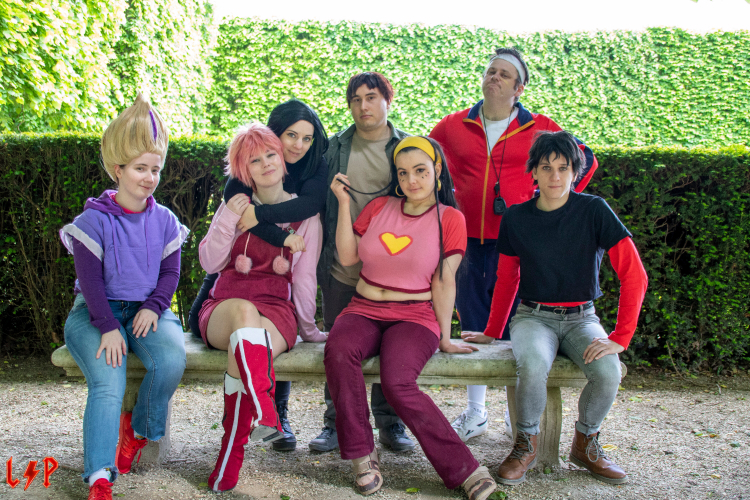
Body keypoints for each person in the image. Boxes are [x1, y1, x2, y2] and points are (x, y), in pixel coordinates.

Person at [430, 46, 598, 442]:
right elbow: (425, 161)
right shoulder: (452, 125)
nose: (495, 78)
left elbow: (585, 160)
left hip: (521, 243)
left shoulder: (541, 127)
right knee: (473, 326)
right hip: (466, 241)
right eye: (491, 71)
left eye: (504, 74)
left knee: (514, 325)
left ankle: (514, 413)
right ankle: (476, 413)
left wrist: (553, 206)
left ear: (519, 88)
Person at [324, 136, 497, 500]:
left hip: (414, 315)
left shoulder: (450, 219)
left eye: (420, 171)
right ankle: (361, 454)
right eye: (403, 173)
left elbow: (444, 280)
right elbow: (348, 256)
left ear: (437, 169)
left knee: (397, 381)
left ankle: (465, 469)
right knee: (338, 352)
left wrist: (445, 337)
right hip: (363, 308)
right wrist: (343, 203)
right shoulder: (379, 207)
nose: (411, 180)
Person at [484, 130, 647, 485]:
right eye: (546, 167)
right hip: (533, 318)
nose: (555, 176)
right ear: (534, 171)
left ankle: (585, 443)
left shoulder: (594, 210)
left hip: (581, 319)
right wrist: (492, 332)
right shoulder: (517, 217)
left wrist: (620, 337)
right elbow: (507, 279)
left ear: (575, 171)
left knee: (609, 372)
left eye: (563, 168)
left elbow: (635, 275)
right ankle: (525, 444)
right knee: (532, 365)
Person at [60, 93, 188, 500]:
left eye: (155, 169)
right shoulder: (92, 221)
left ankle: (138, 430)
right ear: (118, 169)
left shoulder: (165, 220)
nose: (149, 178)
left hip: (148, 311)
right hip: (95, 312)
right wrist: (107, 326)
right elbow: (90, 282)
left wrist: (154, 307)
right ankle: (99, 475)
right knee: (108, 380)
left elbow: (170, 273)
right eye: (139, 168)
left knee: (170, 360)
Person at [189, 99, 329, 451]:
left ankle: (230, 455)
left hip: (276, 310)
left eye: (271, 156)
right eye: (256, 160)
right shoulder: (234, 201)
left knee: (246, 344)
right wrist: (227, 217)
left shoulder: (307, 207)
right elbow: (210, 263)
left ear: (280, 159)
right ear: (244, 168)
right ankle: (266, 413)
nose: (266, 163)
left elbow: (304, 279)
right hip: (229, 304)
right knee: (244, 315)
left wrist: (308, 329)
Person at [311, 71, 414, 453]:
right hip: (341, 270)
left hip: (391, 275)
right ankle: (334, 424)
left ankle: (390, 424)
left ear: (388, 100)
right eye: (356, 99)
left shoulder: (408, 148)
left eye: (371, 97)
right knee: (338, 350)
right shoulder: (334, 147)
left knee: (391, 349)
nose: (363, 106)